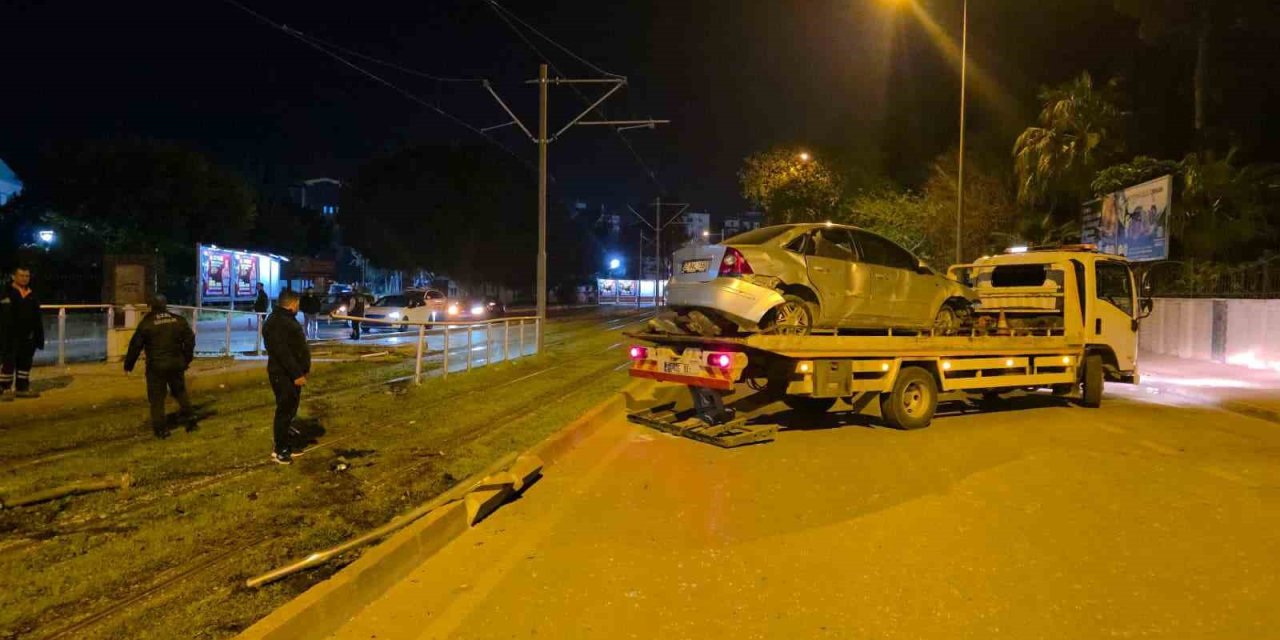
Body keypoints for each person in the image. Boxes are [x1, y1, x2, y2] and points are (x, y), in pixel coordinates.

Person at [123, 294, 195, 438]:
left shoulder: (147, 323)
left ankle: (161, 430)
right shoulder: (178, 320)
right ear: (165, 305)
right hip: (176, 364)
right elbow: (190, 339)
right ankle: (191, 422)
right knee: (180, 392)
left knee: (156, 398)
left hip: (156, 367)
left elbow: (135, 345)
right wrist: (186, 359)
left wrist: (128, 365)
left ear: (152, 306)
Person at [262, 289, 311, 464]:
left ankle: (287, 443)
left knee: (290, 409)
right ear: (291, 303)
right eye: (297, 303)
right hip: (283, 375)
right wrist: (296, 373)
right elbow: (282, 353)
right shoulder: (277, 322)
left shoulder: (285, 319)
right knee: (284, 410)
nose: (298, 306)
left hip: (292, 374)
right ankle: (280, 449)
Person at [0, 266, 45, 401]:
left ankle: (22, 388)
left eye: (27, 276)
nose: (25, 278)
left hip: (28, 336)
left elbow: (37, 317)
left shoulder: (32, 295)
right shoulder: (5, 293)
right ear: (14, 277)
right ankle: (3, 389)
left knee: (25, 363)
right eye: (21, 275)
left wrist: (38, 336)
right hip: (9, 336)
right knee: (8, 362)